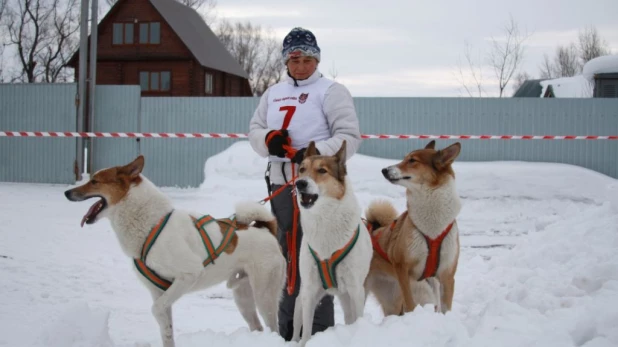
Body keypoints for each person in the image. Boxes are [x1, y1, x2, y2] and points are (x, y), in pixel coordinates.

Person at [248, 27, 363, 340]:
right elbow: (255, 130)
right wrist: (268, 140)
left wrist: (311, 155)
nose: (301, 65)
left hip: (319, 186)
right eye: (295, 58)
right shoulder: (273, 92)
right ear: (287, 61)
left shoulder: (331, 91)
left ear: (317, 59)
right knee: (287, 252)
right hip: (282, 183)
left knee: (315, 253)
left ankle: (320, 332)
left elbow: (349, 138)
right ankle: (288, 329)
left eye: (308, 58)